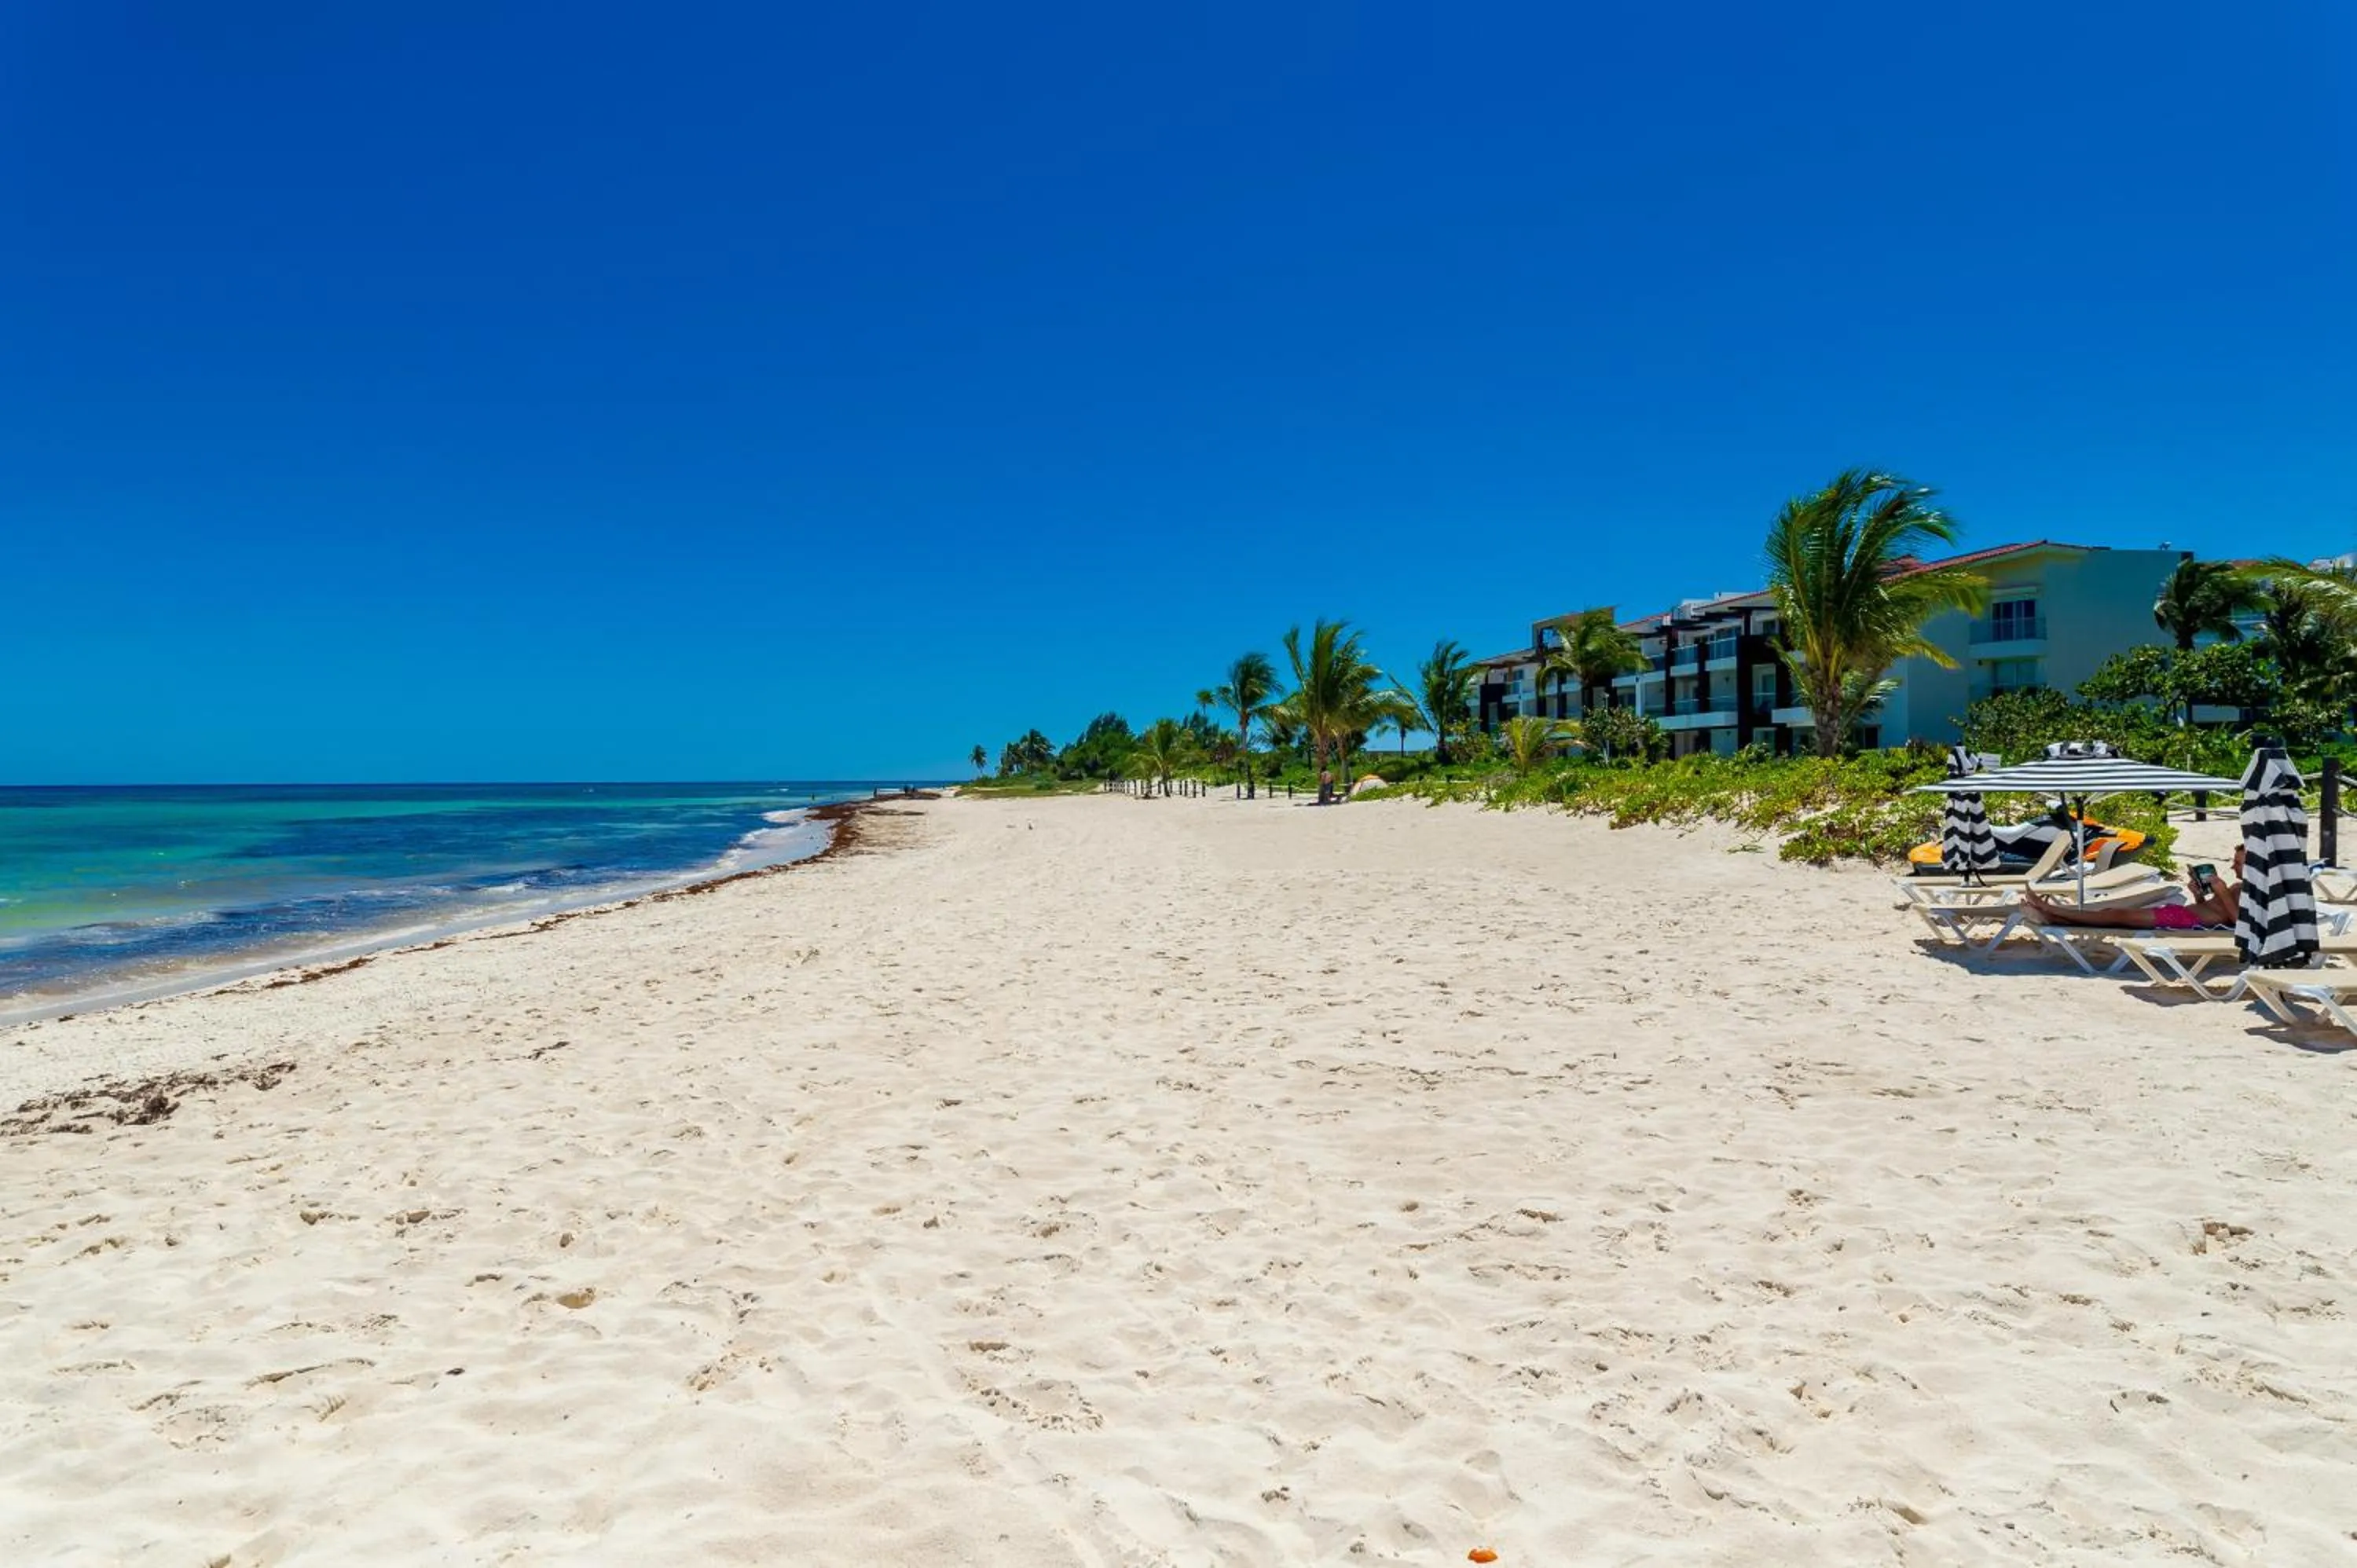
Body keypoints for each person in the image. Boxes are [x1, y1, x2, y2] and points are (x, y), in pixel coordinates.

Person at [2022, 847, 2242, 930]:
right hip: (2185, 916)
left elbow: (2240, 924)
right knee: (2112, 915)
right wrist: (2198, 896)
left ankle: (2051, 910)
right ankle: (2054, 918)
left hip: (2186, 921)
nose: (2233, 866)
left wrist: (2221, 892)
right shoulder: (2238, 887)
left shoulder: (2246, 891)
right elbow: (2214, 911)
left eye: (2238, 863)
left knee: (2118, 915)